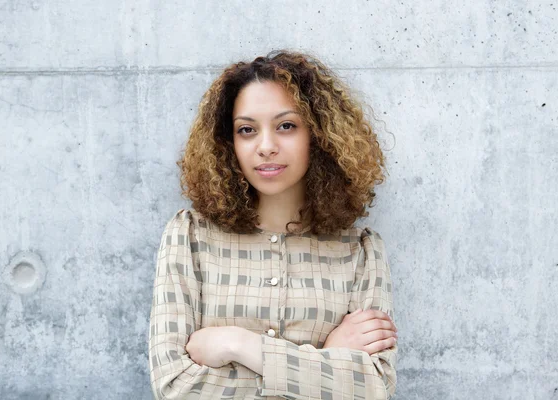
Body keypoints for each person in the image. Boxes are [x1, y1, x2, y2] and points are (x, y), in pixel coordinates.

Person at [148, 49, 398, 400]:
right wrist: (329, 359)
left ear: (318, 135)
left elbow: (373, 388)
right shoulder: (189, 236)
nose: (266, 146)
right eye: (247, 130)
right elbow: (175, 385)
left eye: (286, 126)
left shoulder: (361, 251)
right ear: (228, 141)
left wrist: (240, 344)